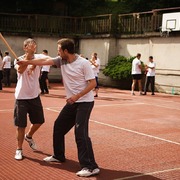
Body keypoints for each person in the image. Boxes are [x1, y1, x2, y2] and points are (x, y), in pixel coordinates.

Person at [17, 38, 100, 177]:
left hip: (84, 102)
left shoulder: (83, 63)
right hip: (72, 102)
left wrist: (77, 96)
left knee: (80, 133)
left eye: (59, 49)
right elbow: (43, 62)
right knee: (59, 126)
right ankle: (58, 155)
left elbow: (92, 84)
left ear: (65, 51)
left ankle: (91, 166)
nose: (57, 52)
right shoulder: (61, 60)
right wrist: (27, 62)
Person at [13, 38, 46, 160]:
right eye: (30, 45)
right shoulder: (18, 60)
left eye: (34, 44)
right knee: (20, 125)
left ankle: (29, 136)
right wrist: (26, 60)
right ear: (25, 47)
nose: (33, 46)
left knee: (39, 121)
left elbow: (44, 61)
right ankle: (19, 149)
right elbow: (20, 70)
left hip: (34, 96)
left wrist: (33, 62)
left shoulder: (38, 57)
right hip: (21, 97)